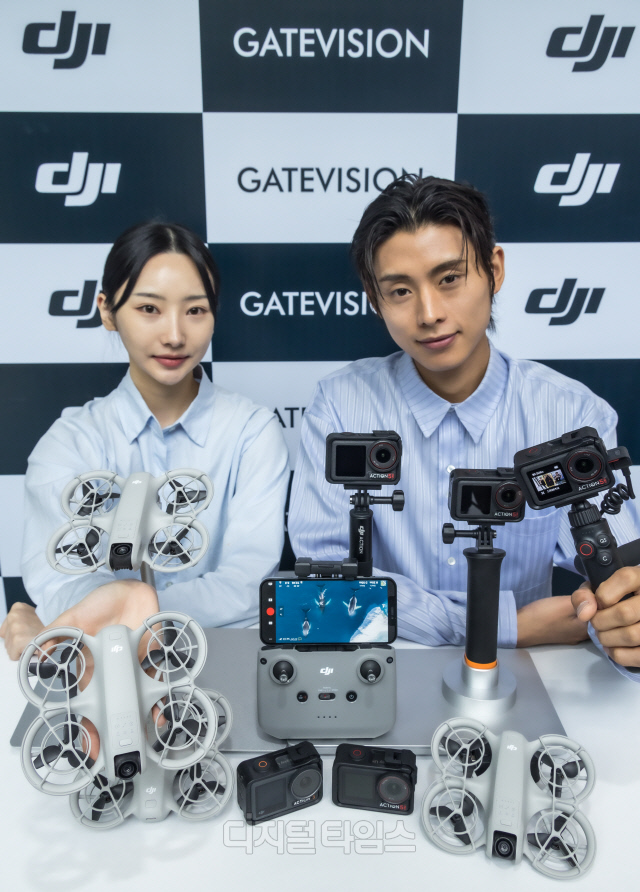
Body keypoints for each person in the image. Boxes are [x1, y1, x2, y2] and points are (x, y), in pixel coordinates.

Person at [288, 175, 640, 676]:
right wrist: (504, 625)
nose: (429, 313)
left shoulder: (572, 414)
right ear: (373, 298)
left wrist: (620, 621)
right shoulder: (341, 405)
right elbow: (322, 588)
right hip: (383, 673)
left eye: (449, 278)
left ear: (494, 270)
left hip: (524, 680)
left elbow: (619, 581)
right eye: (400, 291)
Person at [1, 221, 289, 660]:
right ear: (107, 311)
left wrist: (123, 609)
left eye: (195, 310)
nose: (174, 335)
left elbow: (248, 585)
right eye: (149, 308)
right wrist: (119, 613)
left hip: (224, 662)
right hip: (99, 667)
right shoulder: (70, 442)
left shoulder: (252, 432)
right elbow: (58, 581)